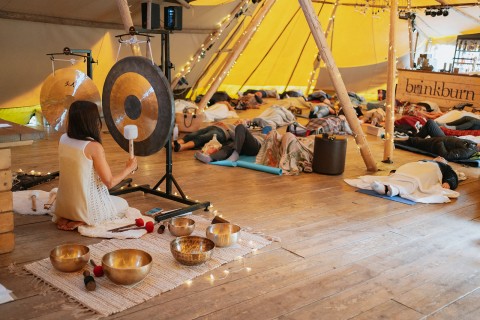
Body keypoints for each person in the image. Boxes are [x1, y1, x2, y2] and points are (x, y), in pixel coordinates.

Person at [54, 101, 138, 231]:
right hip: (85, 208)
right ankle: (83, 219)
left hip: (63, 205)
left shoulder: (63, 139)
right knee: (123, 204)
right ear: (92, 121)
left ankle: (68, 216)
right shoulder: (93, 147)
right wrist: (129, 168)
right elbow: (109, 182)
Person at [345, 157, 460, 203]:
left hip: (429, 171)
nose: (439, 157)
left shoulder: (444, 167)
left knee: (416, 181)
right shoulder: (423, 160)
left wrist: (448, 182)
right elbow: (408, 165)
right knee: (401, 175)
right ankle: (385, 187)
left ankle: (392, 190)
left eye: (442, 158)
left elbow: (452, 176)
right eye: (438, 157)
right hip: (414, 167)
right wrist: (395, 171)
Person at [396, 120, 479, 161]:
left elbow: (446, 156)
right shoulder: (474, 144)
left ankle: (412, 140)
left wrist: (439, 142)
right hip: (443, 138)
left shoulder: (467, 152)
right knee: (430, 123)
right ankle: (417, 138)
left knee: (413, 140)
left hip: (437, 143)